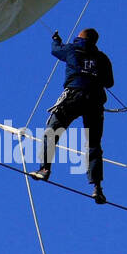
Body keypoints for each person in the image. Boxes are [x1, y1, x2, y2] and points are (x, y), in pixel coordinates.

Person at [32, 27, 114, 203]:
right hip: (95, 101)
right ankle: (97, 188)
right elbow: (109, 82)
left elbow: (55, 50)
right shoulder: (102, 58)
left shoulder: (71, 49)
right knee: (93, 144)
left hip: (74, 96)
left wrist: (56, 40)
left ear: (80, 38)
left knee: (51, 132)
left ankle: (44, 169)